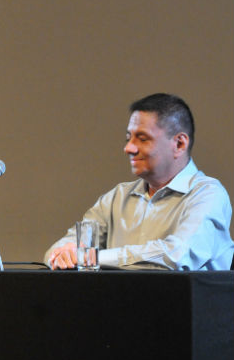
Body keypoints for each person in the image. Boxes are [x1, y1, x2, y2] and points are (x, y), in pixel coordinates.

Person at [45, 93, 234, 271]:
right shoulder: (116, 198)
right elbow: (60, 248)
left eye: (142, 139)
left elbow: (176, 256)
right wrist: (63, 254)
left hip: (187, 305)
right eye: (128, 138)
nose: (128, 148)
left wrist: (90, 258)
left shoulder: (208, 194)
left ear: (179, 144)